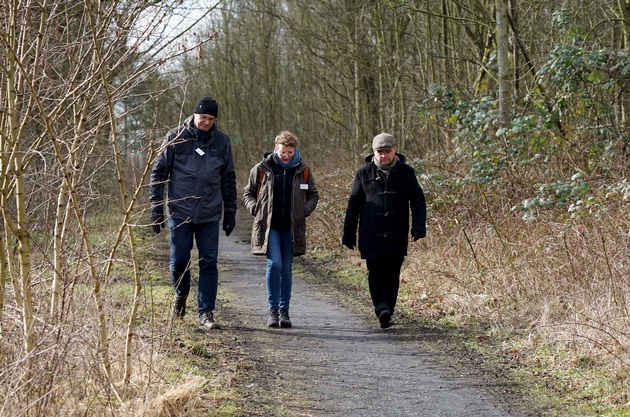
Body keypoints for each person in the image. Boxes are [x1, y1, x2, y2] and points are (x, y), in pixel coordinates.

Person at [149, 96, 237, 330]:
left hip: (209, 213)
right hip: (180, 211)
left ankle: (206, 312)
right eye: (203, 117)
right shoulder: (176, 137)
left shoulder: (222, 142)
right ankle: (181, 294)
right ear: (194, 115)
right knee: (179, 260)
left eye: (211, 118)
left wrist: (230, 210)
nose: (206, 122)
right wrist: (156, 206)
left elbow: (228, 178)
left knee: (209, 262)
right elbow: (158, 173)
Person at [342, 133, 426, 329]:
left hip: (397, 232)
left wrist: (419, 226)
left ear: (395, 150)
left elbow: (418, 201)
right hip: (371, 232)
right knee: (375, 271)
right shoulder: (363, 174)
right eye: (380, 152)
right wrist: (348, 233)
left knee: (393, 272)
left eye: (387, 152)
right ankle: (381, 307)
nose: (383, 156)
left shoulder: (407, 173)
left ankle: (388, 309)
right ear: (373, 152)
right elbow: (353, 205)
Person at [243, 131, 319, 328]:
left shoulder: (303, 170)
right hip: (270, 228)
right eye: (282, 151)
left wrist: (304, 211)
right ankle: (273, 310)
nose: (286, 155)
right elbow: (248, 193)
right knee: (274, 264)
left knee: (286, 269)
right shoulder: (262, 169)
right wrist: (255, 209)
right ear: (276, 149)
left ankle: (284, 312)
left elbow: (312, 195)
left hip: (291, 228)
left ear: (295, 151)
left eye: (289, 152)